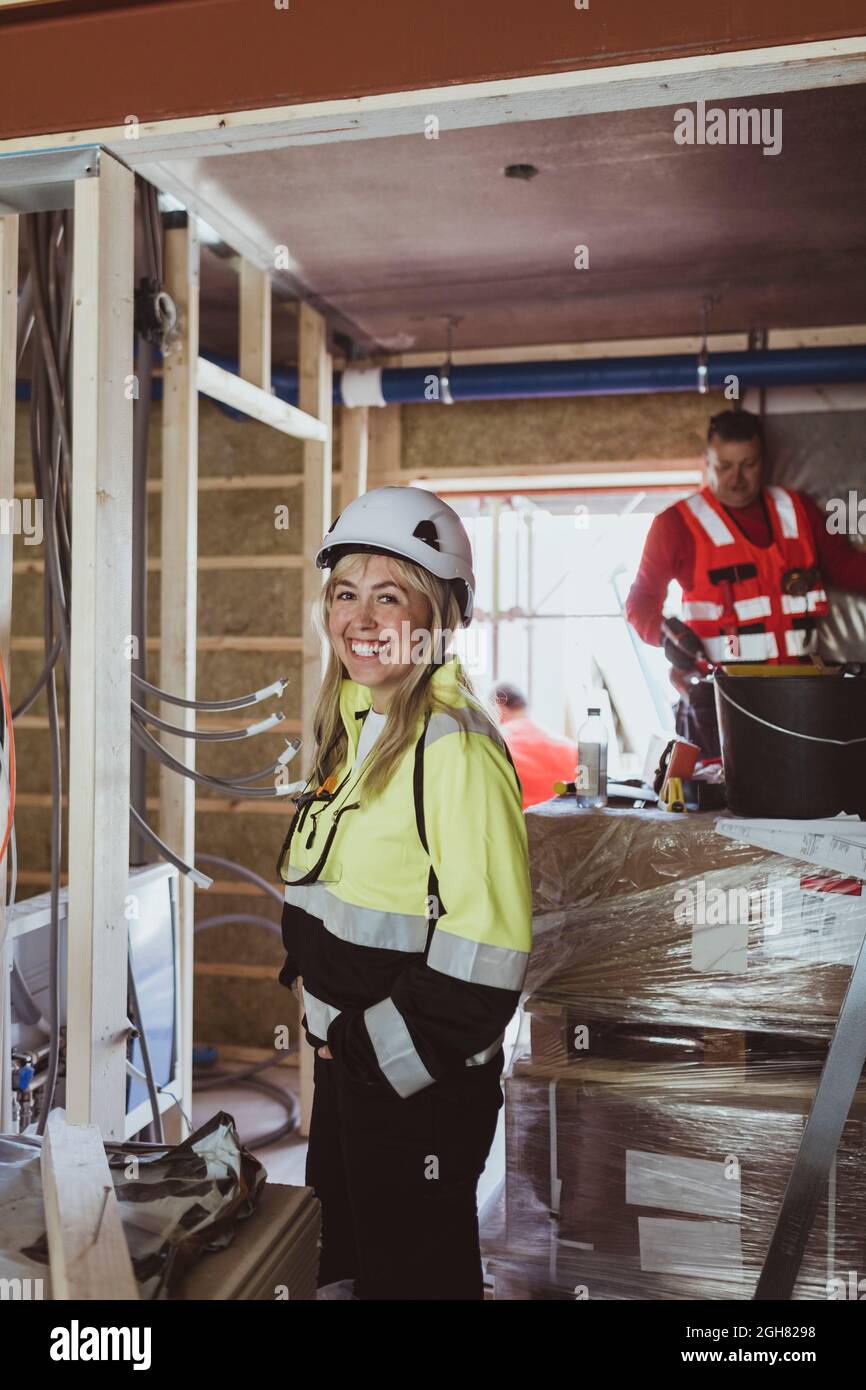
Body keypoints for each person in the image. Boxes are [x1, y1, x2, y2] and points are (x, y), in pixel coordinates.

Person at [275, 485, 532, 1301]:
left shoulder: (452, 750)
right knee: (345, 1265)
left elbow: (486, 964)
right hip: (352, 1073)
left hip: (416, 1089)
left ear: (437, 615)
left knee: (417, 1280)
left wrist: (364, 1053)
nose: (361, 617)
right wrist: (336, 1046)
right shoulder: (353, 725)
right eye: (346, 593)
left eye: (390, 595)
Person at [625, 408, 866, 756]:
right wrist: (666, 634)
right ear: (707, 461)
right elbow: (640, 603)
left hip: (804, 701)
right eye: (724, 466)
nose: (736, 478)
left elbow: (846, 567)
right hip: (722, 704)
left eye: (748, 465)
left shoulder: (798, 510)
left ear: (763, 462)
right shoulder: (675, 525)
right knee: (721, 807)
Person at [490, 681, 579, 809]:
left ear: (498, 708)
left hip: (519, 826)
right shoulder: (570, 749)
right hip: (565, 825)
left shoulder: (497, 748)